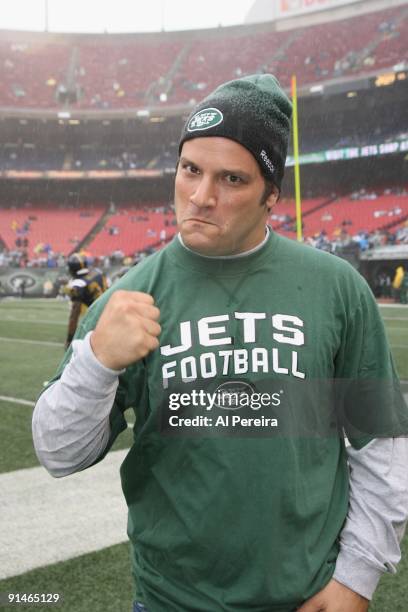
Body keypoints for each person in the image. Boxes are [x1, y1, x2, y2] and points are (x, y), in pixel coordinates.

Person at [32, 75, 408, 612]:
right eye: (190, 170)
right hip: (169, 600)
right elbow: (57, 452)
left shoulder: (336, 287)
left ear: (272, 194)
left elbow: (381, 443)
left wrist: (356, 577)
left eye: (232, 179)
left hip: (305, 596)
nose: (202, 197)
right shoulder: (132, 296)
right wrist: (97, 361)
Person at [64, 253, 108, 350]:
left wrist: (69, 339)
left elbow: (74, 316)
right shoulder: (98, 273)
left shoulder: (78, 285)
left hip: (100, 320)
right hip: (113, 308)